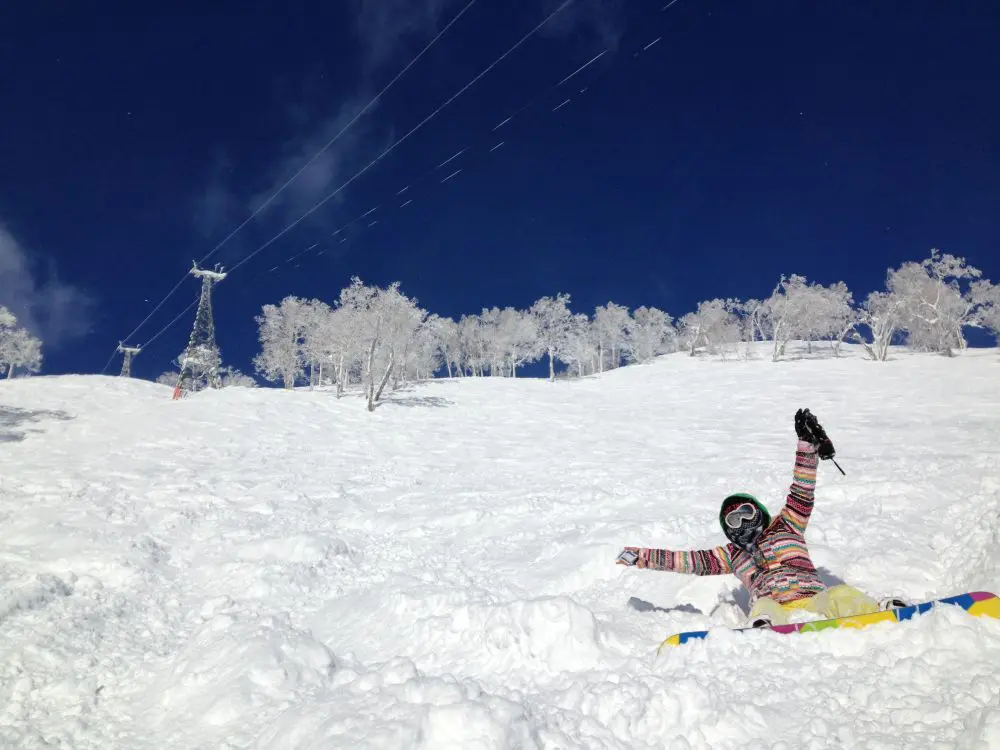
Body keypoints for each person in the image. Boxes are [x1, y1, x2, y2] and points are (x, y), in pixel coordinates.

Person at [616, 408, 907, 627]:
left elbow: (802, 488)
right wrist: (640, 555)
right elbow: (687, 561)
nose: (742, 523)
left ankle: (880, 613)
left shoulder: (788, 525)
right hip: (774, 606)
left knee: (840, 594)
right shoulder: (732, 554)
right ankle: (764, 628)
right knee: (764, 603)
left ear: (759, 512)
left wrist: (807, 444)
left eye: (746, 513)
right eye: (733, 521)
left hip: (815, 599)